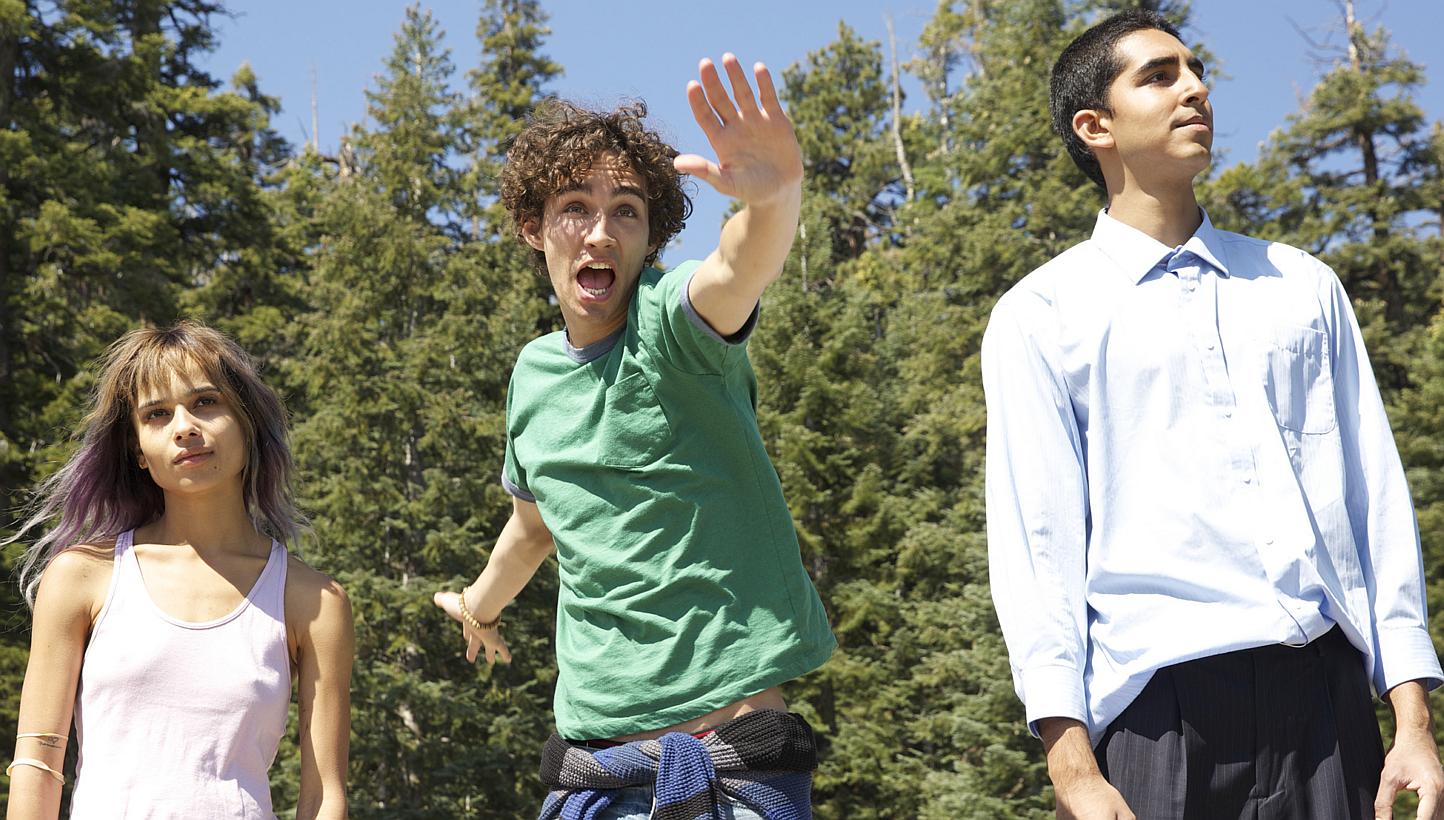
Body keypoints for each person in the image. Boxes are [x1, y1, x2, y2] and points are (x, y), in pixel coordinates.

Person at [983, 9, 1444, 820]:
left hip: (1330, 713)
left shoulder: (1302, 286)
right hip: (1157, 724)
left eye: (1196, 71)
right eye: (1159, 76)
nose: (1195, 88)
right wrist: (1075, 772)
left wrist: (1412, 718)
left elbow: (1375, 502)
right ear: (1096, 126)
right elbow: (1037, 551)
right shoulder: (1041, 315)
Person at [431, 53, 834, 818]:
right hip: (594, 777)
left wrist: (775, 199)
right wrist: (479, 609)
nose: (601, 231)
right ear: (533, 228)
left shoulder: (673, 328)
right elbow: (534, 526)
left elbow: (736, 269)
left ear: (651, 238)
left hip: (732, 772)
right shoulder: (534, 374)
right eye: (576, 206)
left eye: (626, 211)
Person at [5, 322, 354, 820]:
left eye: (206, 402)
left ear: (246, 422)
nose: (185, 427)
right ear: (139, 451)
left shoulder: (313, 600)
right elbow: (38, 760)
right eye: (158, 414)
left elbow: (324, 797)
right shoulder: (83, 576)